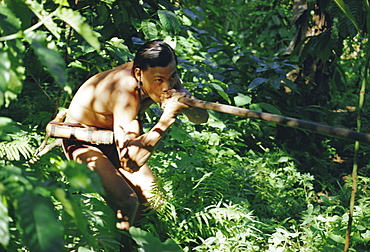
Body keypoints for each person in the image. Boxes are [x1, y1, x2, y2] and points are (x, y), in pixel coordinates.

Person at [61, 40, 209, 250]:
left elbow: (201, 117)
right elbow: (130, 162)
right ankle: (122, 248)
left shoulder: (165, 75)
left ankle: (140, 243)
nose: (166, 86)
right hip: (81, 138)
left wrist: (188, 103)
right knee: (127, 201)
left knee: (154, 200)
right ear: (139, 74)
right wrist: (167, 117)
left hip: (115, 137)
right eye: (159, 80)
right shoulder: (125, 91)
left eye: (173, 77)